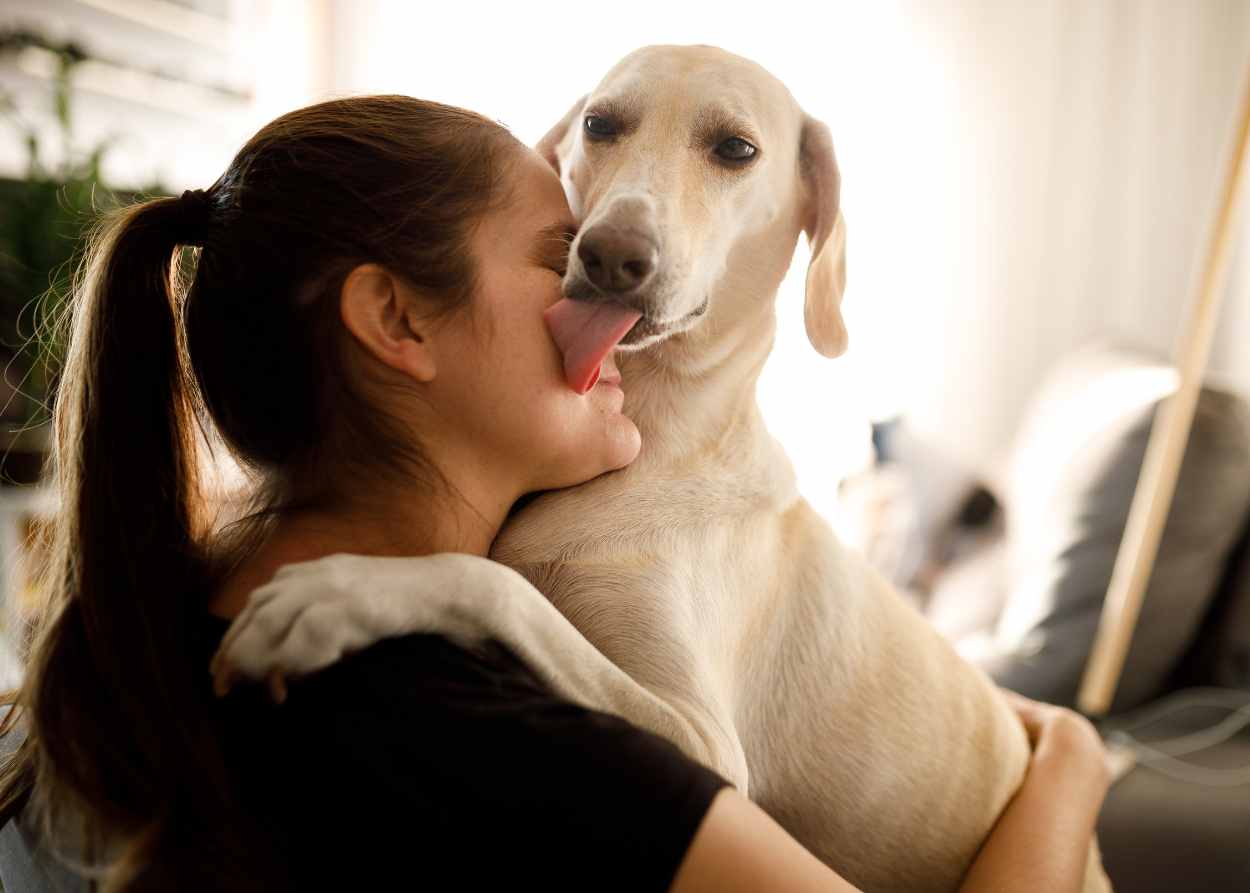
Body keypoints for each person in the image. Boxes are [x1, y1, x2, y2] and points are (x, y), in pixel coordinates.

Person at [0, 95, 1112, 892]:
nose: (607, 287)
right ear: (395, 320)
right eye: (559, 256)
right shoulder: (457, 705)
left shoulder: (156, 623)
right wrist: (1065, 767)